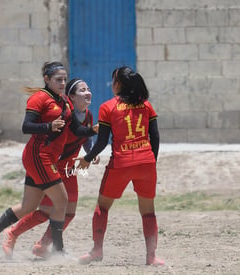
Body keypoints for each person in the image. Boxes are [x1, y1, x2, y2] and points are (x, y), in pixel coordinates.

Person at [0, 62, 96, 259]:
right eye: (58, 79)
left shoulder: (65, 102)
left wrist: (93, 130)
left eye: (65, 79)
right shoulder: (39, 98)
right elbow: (26, 127)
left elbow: (76, 130)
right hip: (38, 155)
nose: (63, 83)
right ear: (47, 79)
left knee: (29, 206)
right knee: (62, 201)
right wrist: (49, 126)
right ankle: (57, 251)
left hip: (45, 156)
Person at [75, 66, 164, 266]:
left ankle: (97, 251)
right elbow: (155, 138)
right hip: (146, 163)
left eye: (113, 80)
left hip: (121, 164)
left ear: (119, 84)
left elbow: (101, 142)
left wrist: (87, 158)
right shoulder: (146, 106)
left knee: (102, 207)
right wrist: (151, 162)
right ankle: (151, 257)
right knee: (148, 211)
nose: (111, 84)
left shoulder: (108, 107)